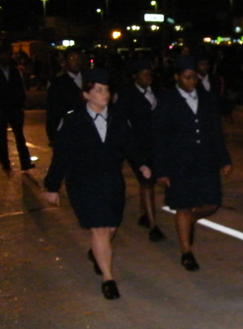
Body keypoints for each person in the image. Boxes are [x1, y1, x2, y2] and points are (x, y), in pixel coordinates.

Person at [41, 69, 151, 300]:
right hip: (83, 183)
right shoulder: (73, 121)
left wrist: (141, 164)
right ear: (87, 94)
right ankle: (108, 279)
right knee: (100, 229)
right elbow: (61, 156)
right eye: (99, 90)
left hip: (111, 181)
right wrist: (52, 186)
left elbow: (129, 145)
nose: (105, 94)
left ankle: (97, 253)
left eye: (107, 90)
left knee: (110, 228)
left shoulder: (118, 118)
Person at [153, 56, 232, 271]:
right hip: (179, 162)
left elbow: (216, 131)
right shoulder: (167, 100)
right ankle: (186, 251)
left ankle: (188, 223)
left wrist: (224, 159)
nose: (192, 82)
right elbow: (160, 137)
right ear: (177, 77)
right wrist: (161, 170)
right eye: (187, 78)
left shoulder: (207, 98)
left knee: (212, 203)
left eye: (194, 77)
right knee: (183, 206)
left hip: (206, 160)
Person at [114, 58, 166, 242]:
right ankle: (153, 225)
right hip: (137, 146)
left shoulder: (158, 93)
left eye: (150, 74)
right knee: (146, 181)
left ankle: (144, 214)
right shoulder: (127, 95)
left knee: (150, 182)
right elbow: (121, 123)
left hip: (156, 145)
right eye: (144, 74)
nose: (148, 77)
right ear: (135, 76)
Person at [0, 44, 35, 172]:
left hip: (14, 108)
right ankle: (5, 162)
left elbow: (19, 88)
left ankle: (25, 162)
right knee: (0, 137)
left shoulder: (13, 71)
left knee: (19, 136)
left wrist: (21, 104)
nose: (6, 57)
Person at [45, 49, 86, 145]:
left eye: (78, 58)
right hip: (69, 131)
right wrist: (53, 135)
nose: (76, 62)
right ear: (65, 62)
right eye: (72, 58)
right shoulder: (57, 84)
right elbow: (52, 111)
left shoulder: (89, 80)